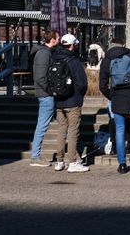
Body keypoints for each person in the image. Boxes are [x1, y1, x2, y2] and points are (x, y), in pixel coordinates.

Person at [99, 36, 130, 173]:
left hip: (118, 99)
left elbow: (102, 85)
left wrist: (112, 96)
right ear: (123, 44)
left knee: (120, 130)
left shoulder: (107, 60)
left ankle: (122, 163)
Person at [51, 33, 89, 172]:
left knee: (61, 130)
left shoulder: (54, 58)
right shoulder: (73, 61)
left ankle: (59, 161)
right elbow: (82, 84)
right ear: (72, 45)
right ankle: (72, 162)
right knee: (73, 131)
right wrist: (79, 96)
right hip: (73, 101)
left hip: (59, 101)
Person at [29, 29, 60, 166]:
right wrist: (51, 91)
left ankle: (72, 152)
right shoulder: (44, 54)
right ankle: (35, 156)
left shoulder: (45, 52)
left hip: (46, 94)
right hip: (46, 95)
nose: (59, 40)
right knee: (42, 125)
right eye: (58, 38)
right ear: (52, 39)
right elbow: (41, 77)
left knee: (62, 123)